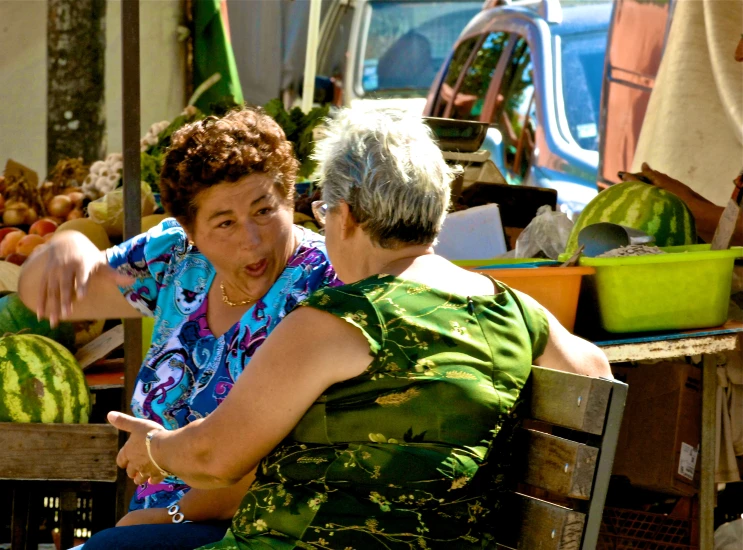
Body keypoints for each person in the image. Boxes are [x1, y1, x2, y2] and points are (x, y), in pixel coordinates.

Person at [107, 108, 612, 549]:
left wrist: (154, 448)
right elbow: (595, 371)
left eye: (324, 212)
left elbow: (215, 457)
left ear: (346, 217)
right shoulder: (515, 311)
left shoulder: (334, 320)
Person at [18, 107, 338, 548]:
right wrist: (67, 246)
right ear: (191, 231)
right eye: (224, 222)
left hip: (264, 526)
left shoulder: (327, 281)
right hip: (156, 523)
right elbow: (42, 294)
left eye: (265, 210)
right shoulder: (177, 259)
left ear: (290, 200)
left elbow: (291, 461)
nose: (252, 238)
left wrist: (161, 519)